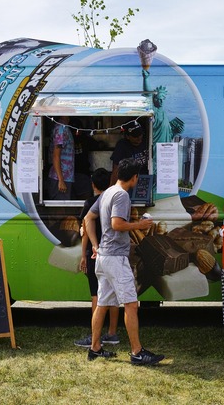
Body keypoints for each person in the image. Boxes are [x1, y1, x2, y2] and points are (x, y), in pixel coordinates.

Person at [84, 158, 165, 365]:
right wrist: (140, 224)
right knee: (130, 304)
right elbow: (117, 224)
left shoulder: (107, 192)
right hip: (115, 259)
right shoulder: (121, 195)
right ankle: (137, 352)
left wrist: (95, 245)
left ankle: (95, 348)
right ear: (135, 177)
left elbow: (88, 219)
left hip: (103, 257)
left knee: (102, 304)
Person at [73, 168, 120, 348]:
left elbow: (85, 230)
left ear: (92, 185)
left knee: (96, 294)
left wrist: (83, 254)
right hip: (113, 252)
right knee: (113, 293)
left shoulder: (90, 203)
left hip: (95, 253)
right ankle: (112, 333)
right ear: (109, 183)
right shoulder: (113, 201)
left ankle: (95, 336)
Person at [46, 116, 74, 200]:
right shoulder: (61, 129)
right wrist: (61, 180)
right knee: (61, 210)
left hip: (66, 176)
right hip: (61, 177)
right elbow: (56, 155)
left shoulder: (64, 127)